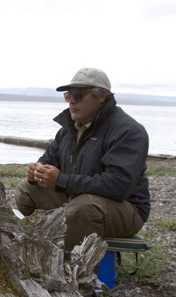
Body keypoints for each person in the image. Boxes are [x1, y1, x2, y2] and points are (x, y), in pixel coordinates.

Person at [15, 67, 150, 254]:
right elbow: (47, 161)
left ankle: (73, 276)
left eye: (78, 95)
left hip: (126, 210)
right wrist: (35, 173)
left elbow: (119, 185)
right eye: (68, 95)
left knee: (82, 209)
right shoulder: (68, 129)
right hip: (77, 199)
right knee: (27, 190)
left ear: (101, 96)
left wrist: (61, 180)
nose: (71, 101)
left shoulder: (127, 130)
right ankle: (36, 254)